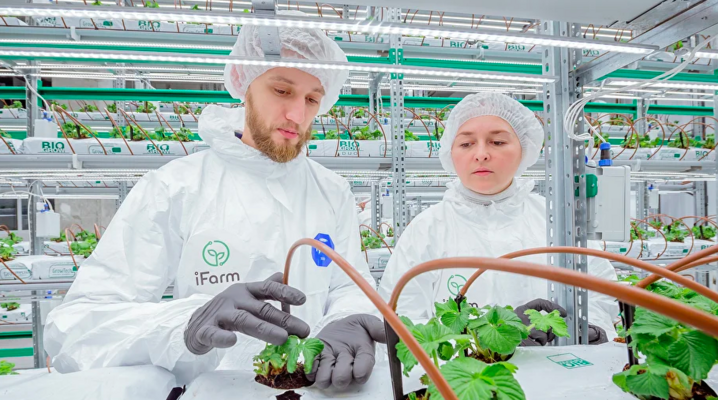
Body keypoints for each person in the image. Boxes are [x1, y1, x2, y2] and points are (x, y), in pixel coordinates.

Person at [44, 14, 386, 390]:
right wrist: (187, 323)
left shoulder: (332, 191)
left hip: (316, 392)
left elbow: (348, 285)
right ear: (245, 85)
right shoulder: (176, 187)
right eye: (282, 91)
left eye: (312, 99)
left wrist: (349, 317)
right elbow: (77, 324)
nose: (297, 115)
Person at [377, 93, 619, 345]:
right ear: (451, 153)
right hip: (463, 378)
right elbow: (401, 316)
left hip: (557, 370)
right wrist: (478, 344)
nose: (481, 154)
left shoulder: (556, 220)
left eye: (498, 142)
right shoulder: (427, 228)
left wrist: (589, 328)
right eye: (466, 144)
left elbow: (601, 293)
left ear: (524, 149)